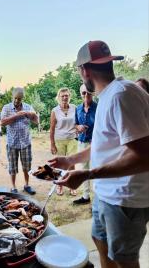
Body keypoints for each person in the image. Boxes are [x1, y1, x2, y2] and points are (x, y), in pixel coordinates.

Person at [49, 40, 149, 268]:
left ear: (84, 70)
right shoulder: (108, 96)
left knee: (123, 259)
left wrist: (86, 175)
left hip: (125, 198)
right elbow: (105, 144)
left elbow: (144, 157)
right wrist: (71, 160)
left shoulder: (122, 95)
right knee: (100, 241)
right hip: (106, 193)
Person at [1, 87, 38, 194]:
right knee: (12, 166)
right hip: (12, 143)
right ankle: (13, 187)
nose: (17, 101)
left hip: (25, 142)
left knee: (27, 166)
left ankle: (27, 185)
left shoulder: (28, 107)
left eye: (20, 99)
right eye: (16, 98)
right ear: (12, 96)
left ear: (23, 98)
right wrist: (17, 115)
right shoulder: (6, 108)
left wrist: (29, 114)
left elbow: (36, 121)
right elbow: (2, 122)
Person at [50, 88, 77, 196]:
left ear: (69, 96)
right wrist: (52, 144)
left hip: (72, 139)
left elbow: (78, 122)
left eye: (66, 95)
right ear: (59, 97)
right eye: (63, 96)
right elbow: (52, 129)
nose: (65, 97)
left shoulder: (74, 108)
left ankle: (71, 185)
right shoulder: (55, 111)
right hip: (59, 139)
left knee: (71, 164)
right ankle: (59, 185)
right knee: (60, 164)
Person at [73, 84, 97, 205]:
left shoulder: (98, 107)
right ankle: (86, 196)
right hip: (82, 143)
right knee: (83, 170)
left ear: (92, 93)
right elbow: (75, 124)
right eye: (83, 93)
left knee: (96, 169)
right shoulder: (77, 108)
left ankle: (98, 198)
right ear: (81, 94)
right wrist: (79, 127)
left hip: (96, 144)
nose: (86, 95)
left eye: (88, 92)